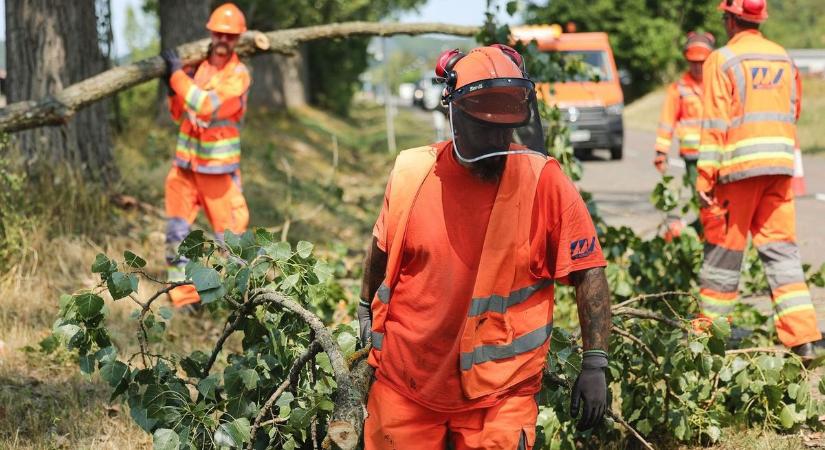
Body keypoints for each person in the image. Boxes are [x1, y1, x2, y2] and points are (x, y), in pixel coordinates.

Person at [357, 45, 611, 449]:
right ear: (455, 114)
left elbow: (587, 270)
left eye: (504, 126)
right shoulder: (412, 172)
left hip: (500, 396)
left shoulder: (542, 181)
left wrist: (595, 362)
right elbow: (381, 247)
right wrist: (363, 306)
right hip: (407, 384)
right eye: (485, 127)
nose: (497, 137)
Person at [697, 0, 821, 356]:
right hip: (780, 168)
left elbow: (716, 123)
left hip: (737, 171)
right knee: (782, 253)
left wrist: (706, 178)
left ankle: (709, 338)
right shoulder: (783, 56)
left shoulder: (722, 59)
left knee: (722, 258)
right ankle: (803, 339)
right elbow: (793, 109)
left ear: (731, 20)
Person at [160, 3, 251, 308]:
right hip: (185, 168)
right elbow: (180, 115)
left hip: (217, 171)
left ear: (239, 38)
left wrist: (176, 78)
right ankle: (184, 299)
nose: (223, 40)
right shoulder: (197, 69)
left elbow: (206, 105)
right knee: (177, 235)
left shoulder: (238, 75)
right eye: (219, 33)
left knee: (232, 238)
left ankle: (237, 301)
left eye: (230, 35)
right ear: (210, 32)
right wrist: (174, 91)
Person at [654, 32, 716, 190]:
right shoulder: (679, 88)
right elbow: (667, 122)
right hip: (692, 155)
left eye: (702, 62)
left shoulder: (718, 84)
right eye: (693, 62)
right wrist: (661, 152)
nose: (697, 67)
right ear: (687, 61)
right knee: (699, 197)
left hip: (717, 153)